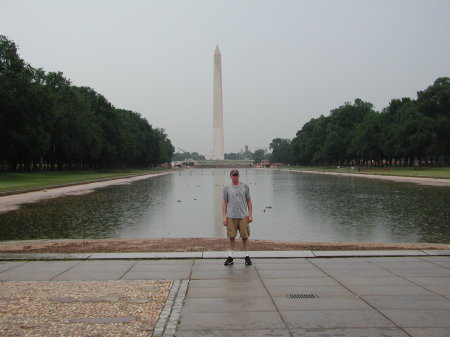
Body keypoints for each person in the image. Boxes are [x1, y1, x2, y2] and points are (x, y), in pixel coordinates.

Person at [222, 169, 253, 266]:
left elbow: (249, 201)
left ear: (238, 176)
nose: (235, 177)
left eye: (236, 175)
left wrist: (250, 215)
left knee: (245, 236)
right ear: (230, 176)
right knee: (231, 237)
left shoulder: (245, 187)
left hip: (243, 215)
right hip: (231, 216)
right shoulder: (226, 188)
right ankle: (230, 256)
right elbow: (224, 203)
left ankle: (247, 256)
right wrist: (224, 217)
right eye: (233, 175)